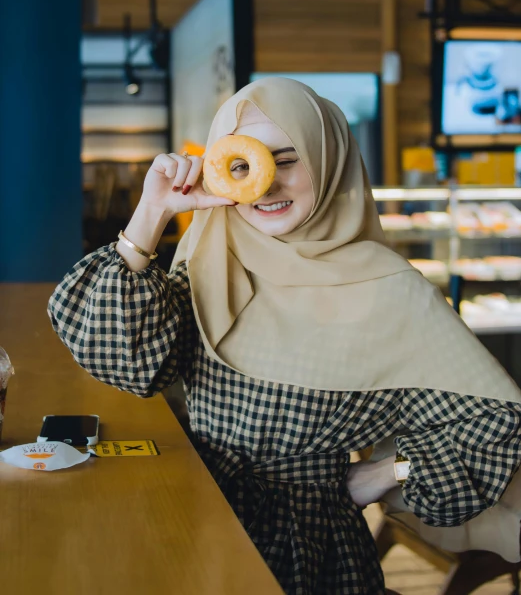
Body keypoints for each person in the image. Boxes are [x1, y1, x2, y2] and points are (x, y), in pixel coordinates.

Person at [48, 78, 521, 595]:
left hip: (303, 554)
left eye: (288, 159)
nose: (267, 183)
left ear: (329, 160)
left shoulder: (394, 292)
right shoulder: (212, 260)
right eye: (246, 162)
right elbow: (120, 362)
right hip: (185, 514)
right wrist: (153, 212)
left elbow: (496, 423)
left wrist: (385, 474)